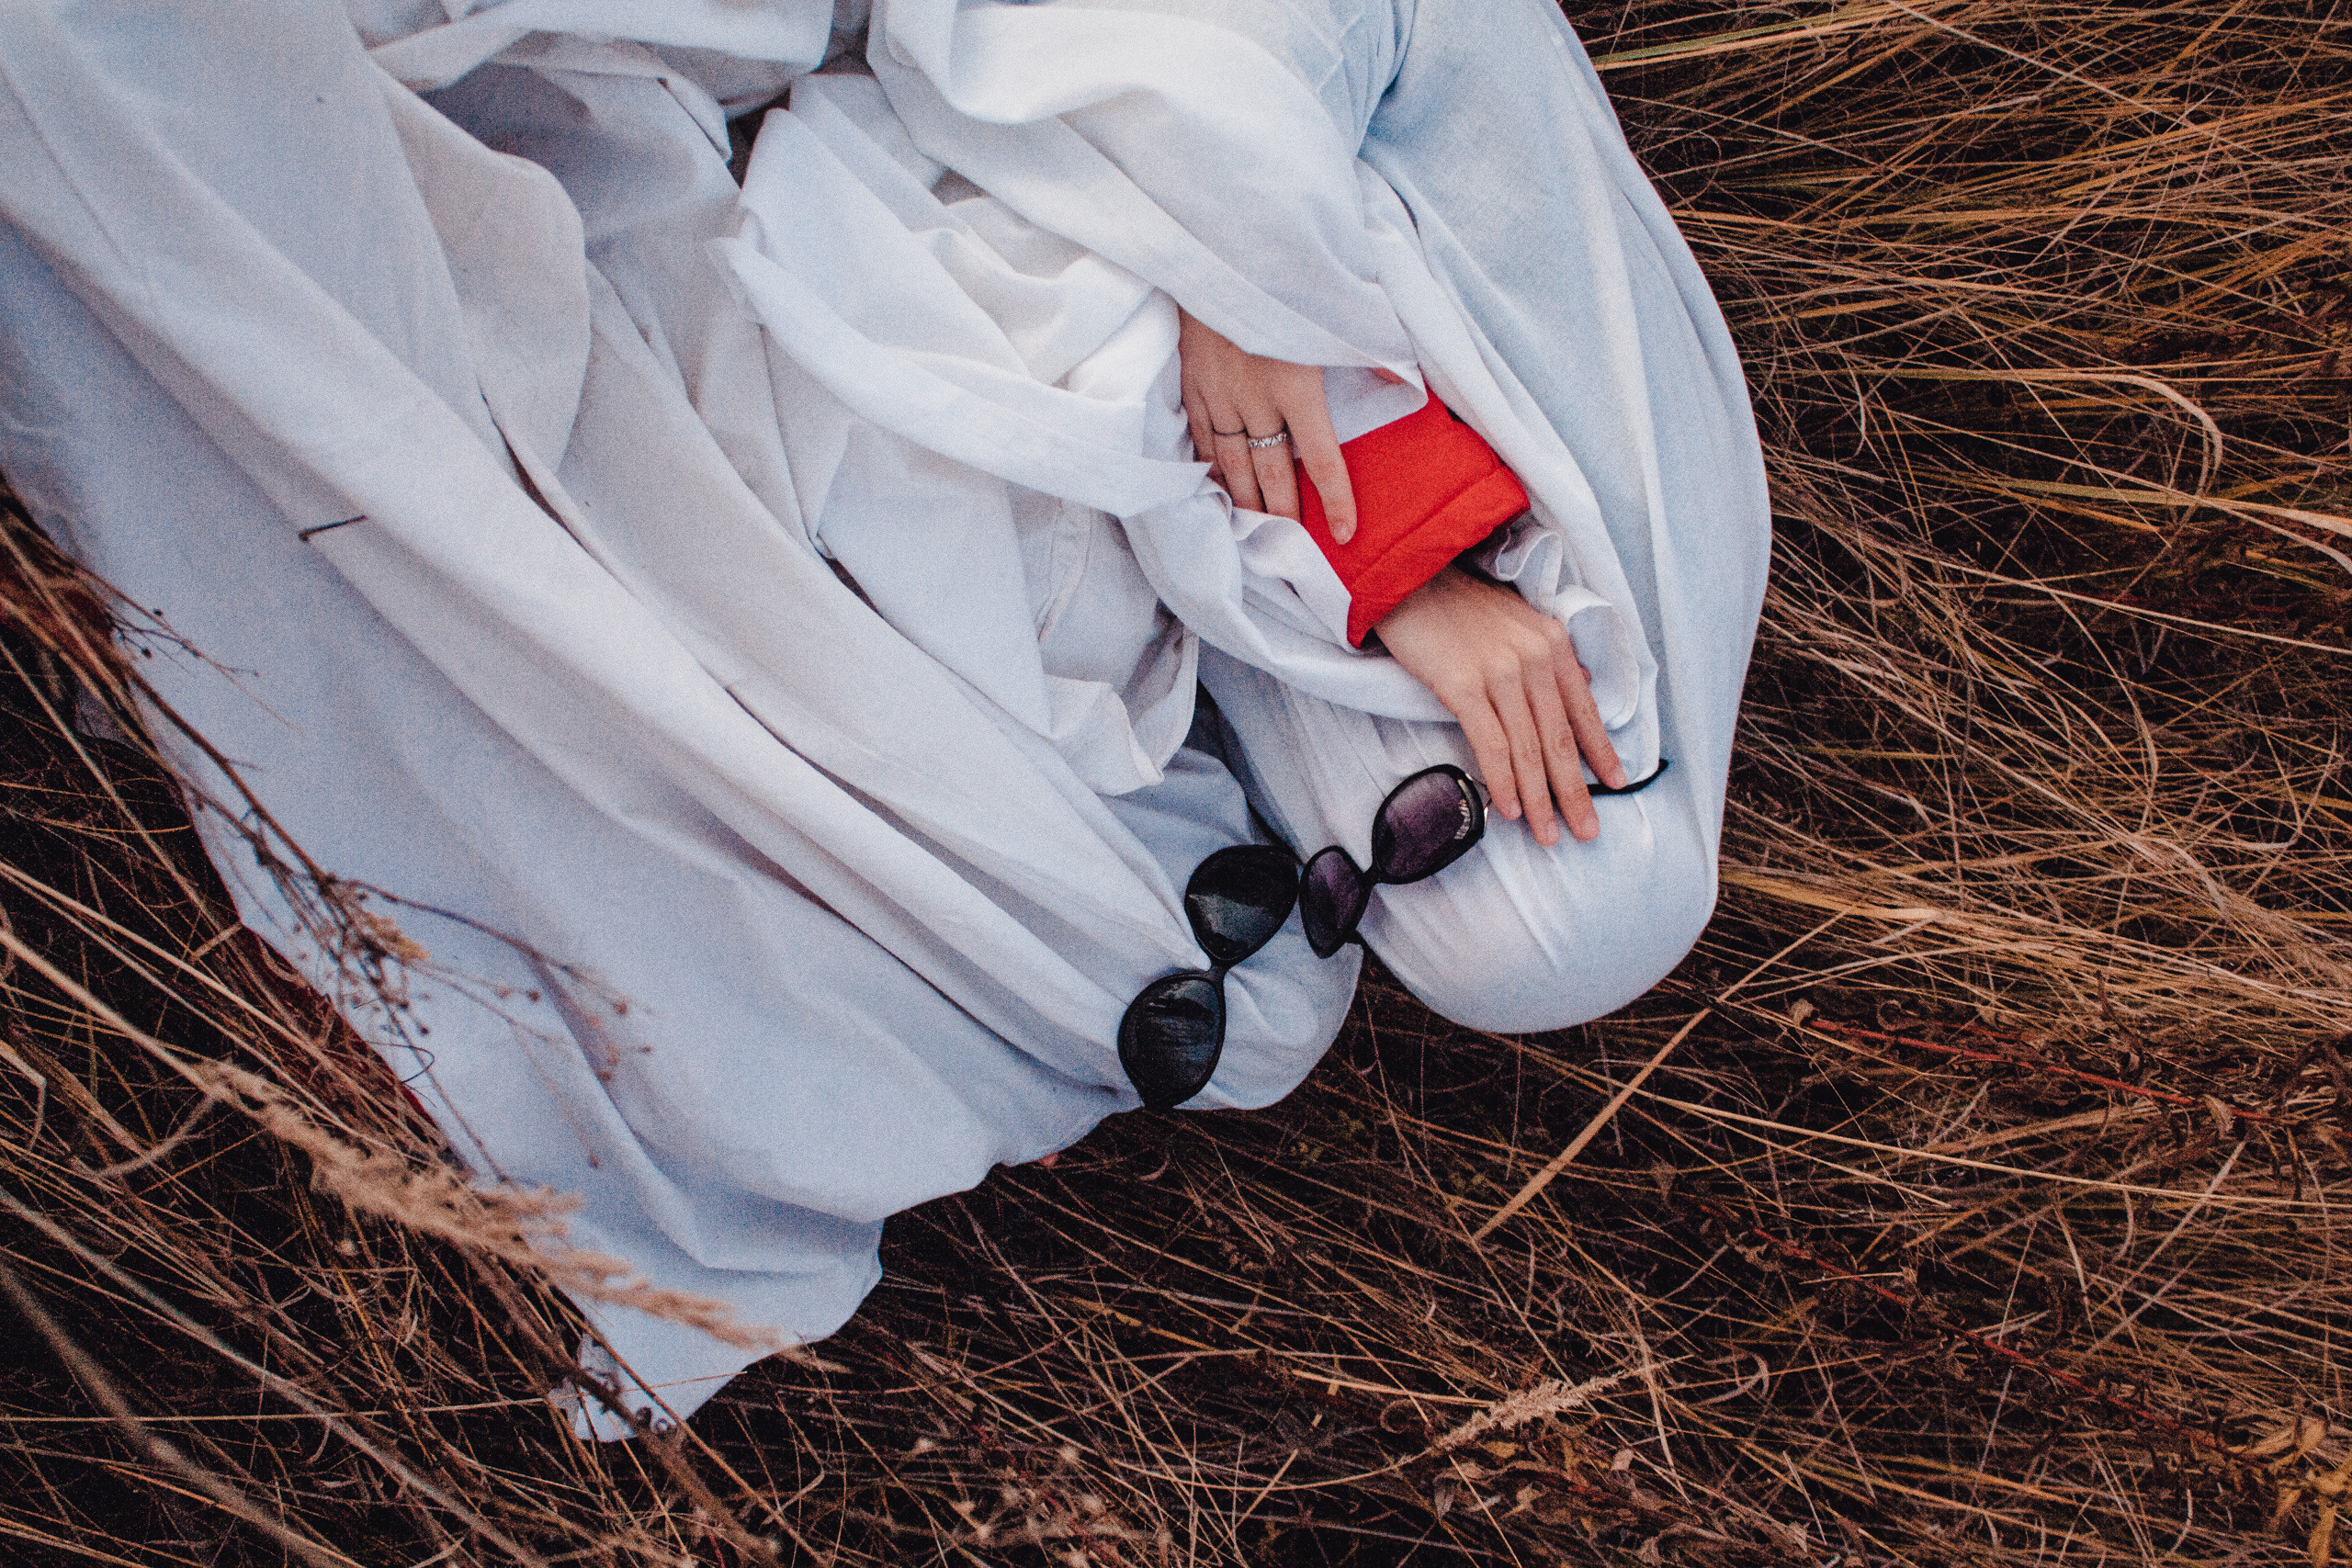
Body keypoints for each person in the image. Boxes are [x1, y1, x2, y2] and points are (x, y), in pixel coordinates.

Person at [0, 0, 1768, 1437]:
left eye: (1343, 873)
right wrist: (1254, 273)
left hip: (936, 191)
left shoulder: (1224, 694)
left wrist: (1332, 542)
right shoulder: (1558, 395)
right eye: (1396, 838)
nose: (1348, 844)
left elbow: (1057, 420)